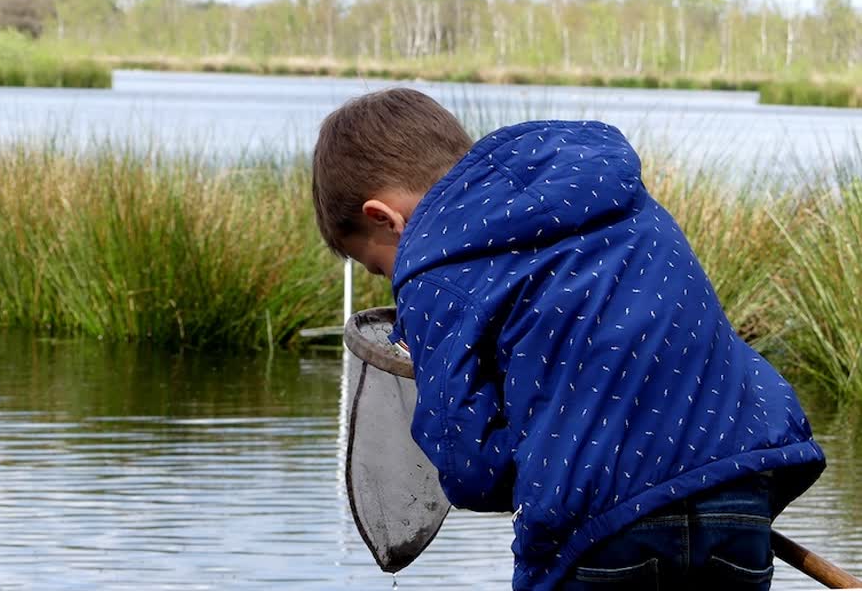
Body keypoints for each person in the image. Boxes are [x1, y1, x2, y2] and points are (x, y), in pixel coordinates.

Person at [311, 87, 825, 590]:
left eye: (378, 267)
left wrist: (521, 436)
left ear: (385, 219)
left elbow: (472, 471)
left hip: (600, 535)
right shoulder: (614, 193)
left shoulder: (432, 265)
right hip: (739, 493)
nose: (393, 280)